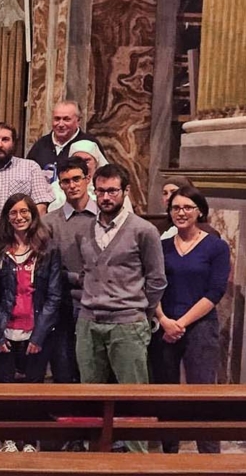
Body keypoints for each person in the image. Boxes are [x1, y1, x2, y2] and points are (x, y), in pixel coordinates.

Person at [74, 163, 166, 454]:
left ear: (125, 191)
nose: (106, 197)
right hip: (89, 322)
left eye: (112, 191)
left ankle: (138, 460)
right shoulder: (85, 229)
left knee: (133, 396)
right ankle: (95, 458)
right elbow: (87, 272)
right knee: (90, 397)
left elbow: (157, 280)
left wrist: (139, 313)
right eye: (100, 191)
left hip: (127, 323)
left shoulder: (144, 230)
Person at [150, 186, 229, 454]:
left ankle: (209, 457)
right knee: (166, 394)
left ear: (200, 211)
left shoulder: (216, 246)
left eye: (187, 207)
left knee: (203, 394)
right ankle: (169, 455)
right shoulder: (161, 246)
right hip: (164, 325)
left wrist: (181, 323)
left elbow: (215, 291)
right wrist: (163, 318)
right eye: (175, 208)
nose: (181, 213)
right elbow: (152, 285)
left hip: (200, 326)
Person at [0, 194, 62, 453]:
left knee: (34, 390)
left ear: (33, 214)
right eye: (13, 213)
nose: (19, 217)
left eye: (24, 212)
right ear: (7, 217)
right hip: (6, 329)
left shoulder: (48, 250)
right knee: (5, 391)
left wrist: (39, 335)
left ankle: (30, 440)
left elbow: (54, 295)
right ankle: (8, 439)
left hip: (36, 331)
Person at [42, 157, 97, 386]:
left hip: (99, 302)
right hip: (63, 301)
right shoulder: (49, 221)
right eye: (66, 181)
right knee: (63, 370)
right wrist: (74, 278)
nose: (72, 185)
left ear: (87, 179)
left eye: (76, 179)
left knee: (93, 369)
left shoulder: (104, 217)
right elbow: (44, 267)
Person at [26, 101, 100, 181]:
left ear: (78, 121)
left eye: (66, 119)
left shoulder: (89, 144)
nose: (61, 124)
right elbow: (27, 172)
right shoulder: (41, 144)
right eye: (57, 119)